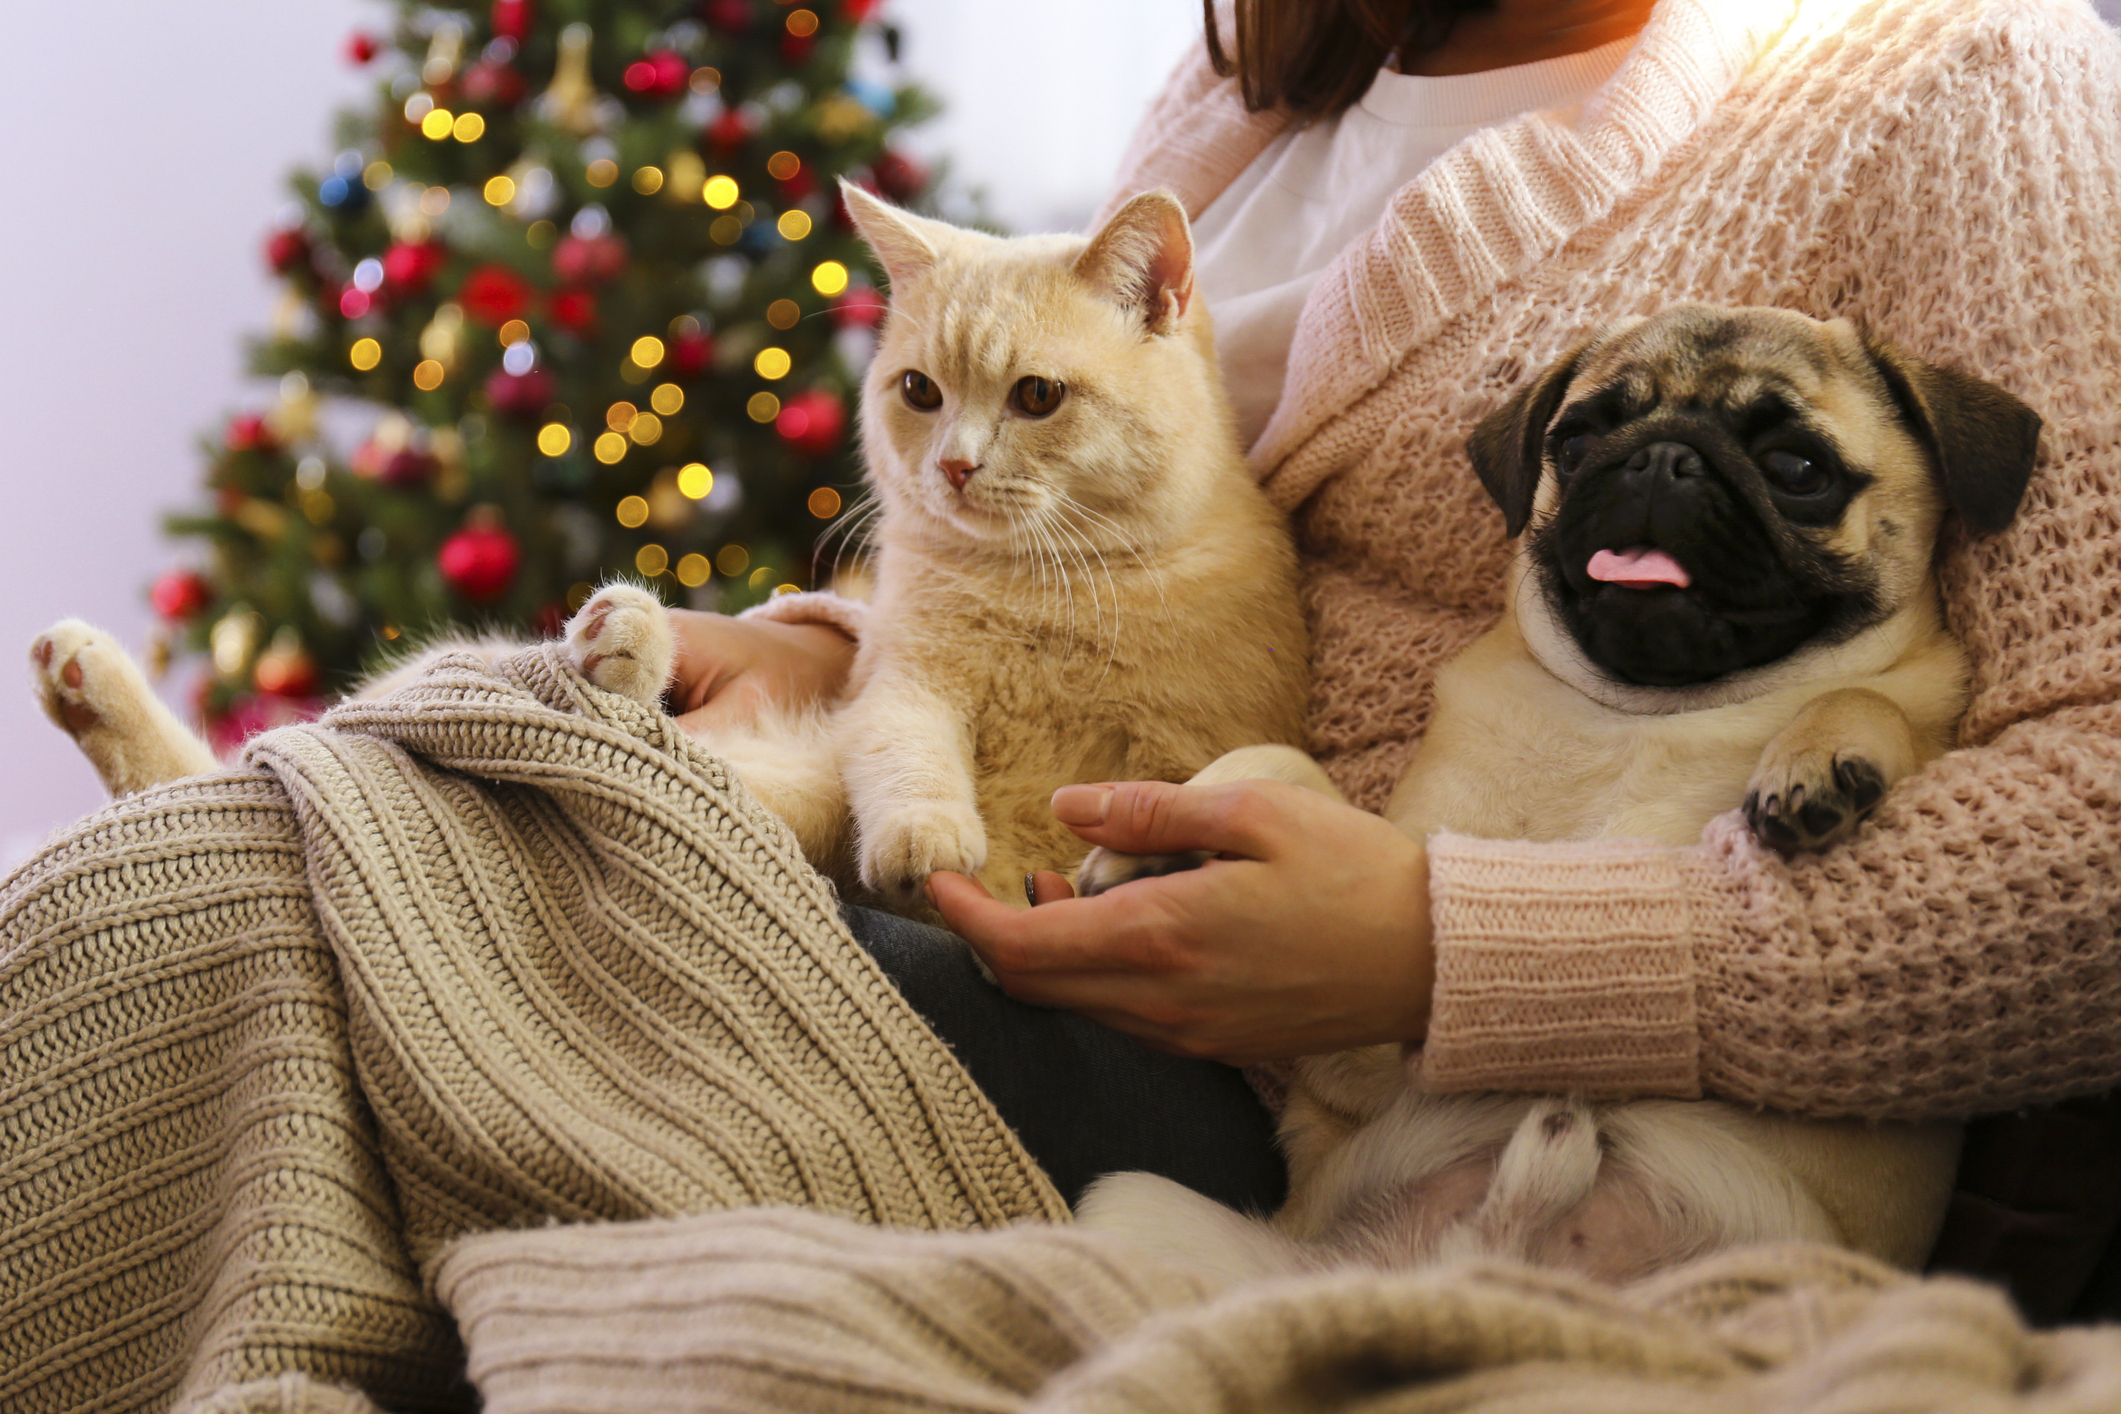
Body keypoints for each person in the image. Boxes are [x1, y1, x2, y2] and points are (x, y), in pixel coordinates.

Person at [660, 0, 2121, 1266]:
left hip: (1324, 1110)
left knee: (558, 891)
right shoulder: (1236, 90)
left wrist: (1454, 955)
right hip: (1094, 918)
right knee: (513, 759)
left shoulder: (1959, 86)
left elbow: (2098, 825)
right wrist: (845, 652)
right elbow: (1103, 526)